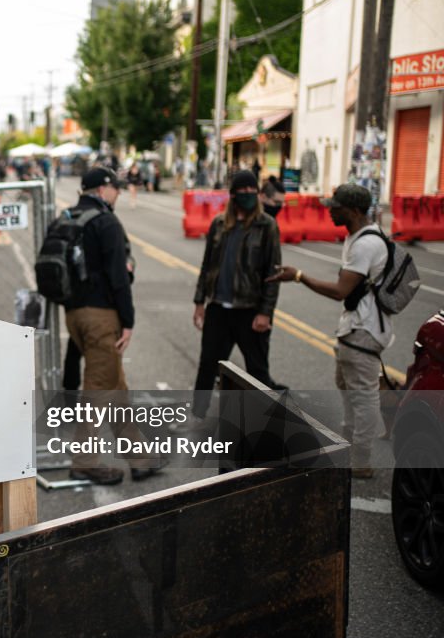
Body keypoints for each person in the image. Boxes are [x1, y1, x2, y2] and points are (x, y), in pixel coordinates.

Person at [267, 184, 390, 479]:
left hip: (364, 331)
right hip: (353, 328)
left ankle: (361, 460)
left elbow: (339, 291)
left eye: (337, 207)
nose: (329, 210)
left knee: (362, 396)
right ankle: (352, 448)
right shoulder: (356, 237)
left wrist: (298, 276)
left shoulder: (365, 245)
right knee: (348, 388)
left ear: (356, 211)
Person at [63, 166, 165, 485]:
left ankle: (139, 458)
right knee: (98, 387)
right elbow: (119, 276)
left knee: (114, 384)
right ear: (102, 189)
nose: (119, 192)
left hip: (73, 313)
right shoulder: (106, 222)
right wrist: (128, 320)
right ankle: (84, 461)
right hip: (100, 315)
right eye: (115, 188)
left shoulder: (66, 218)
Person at [186, 170, 283, 425]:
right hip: (219, 307)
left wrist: (265, 312)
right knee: (208, 364)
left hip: (250, 309)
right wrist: (200, 302)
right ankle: (198, 414)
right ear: (233, 195)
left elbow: (273, 274)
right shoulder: (219, 224)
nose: (249, 196)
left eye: (253, 192)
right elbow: (207, 267)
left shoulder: (266, 226)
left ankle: (265, 421)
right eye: (244, 192)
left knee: (257, 369)